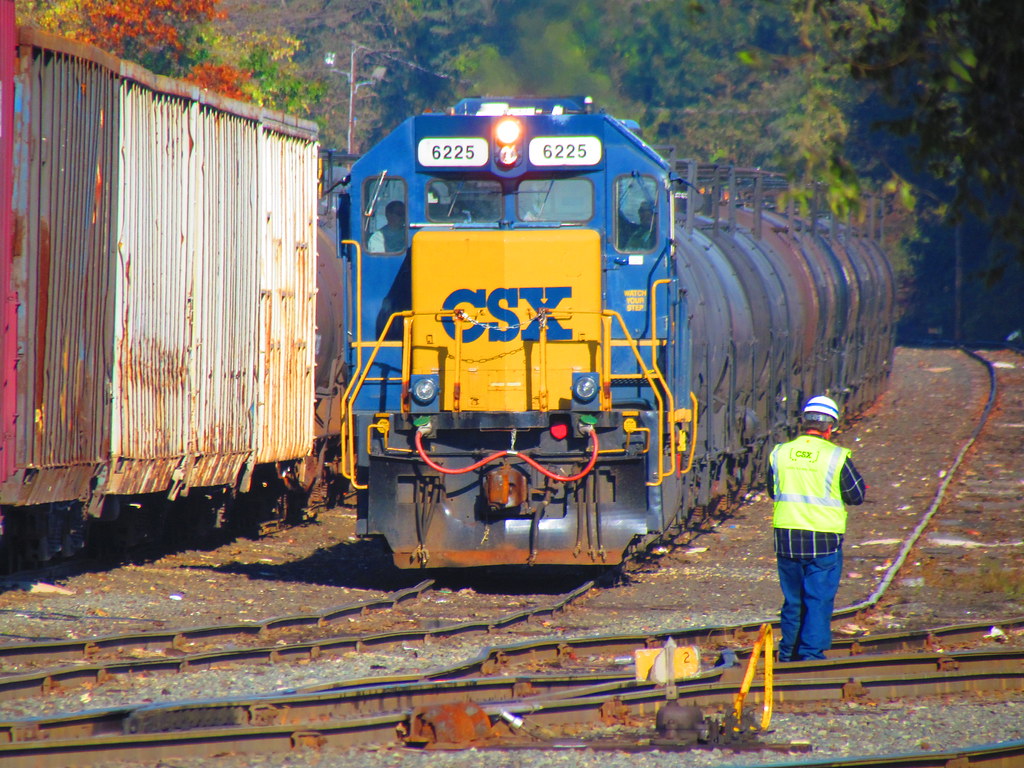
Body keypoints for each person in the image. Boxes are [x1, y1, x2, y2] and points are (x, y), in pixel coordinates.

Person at [766, 395, 866, 662]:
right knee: (818, 599)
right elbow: (856, 495)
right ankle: (810, 655)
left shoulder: (780, 453)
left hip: (787, 537)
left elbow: (772, 490)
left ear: (804, 422)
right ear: (830, 427)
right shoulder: (835, 457)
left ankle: (787, 654)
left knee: (793, 600)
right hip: (823, 540)